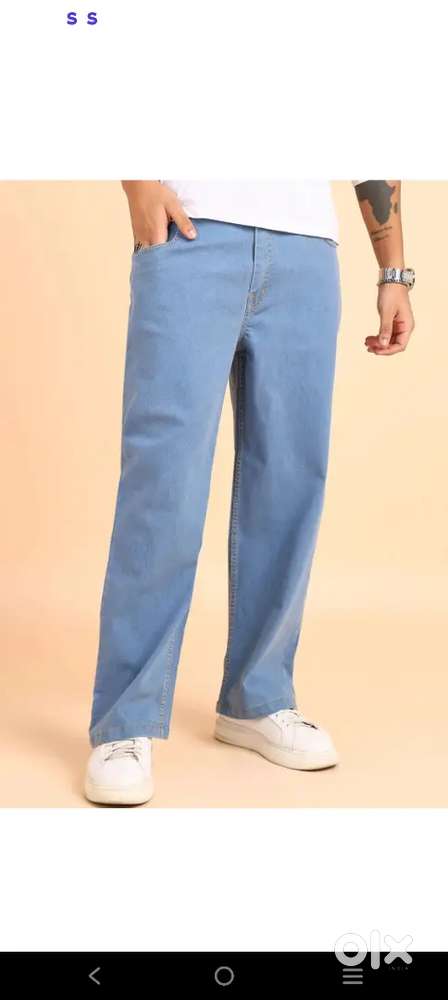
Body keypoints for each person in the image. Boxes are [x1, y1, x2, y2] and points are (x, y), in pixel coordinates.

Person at [84, 180, 415, 805]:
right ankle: (124, 720)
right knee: (164, 482)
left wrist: (393, 269)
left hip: (307, 248)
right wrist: (139, 183)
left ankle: (256, 696)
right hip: (190, 231)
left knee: (290, 480)